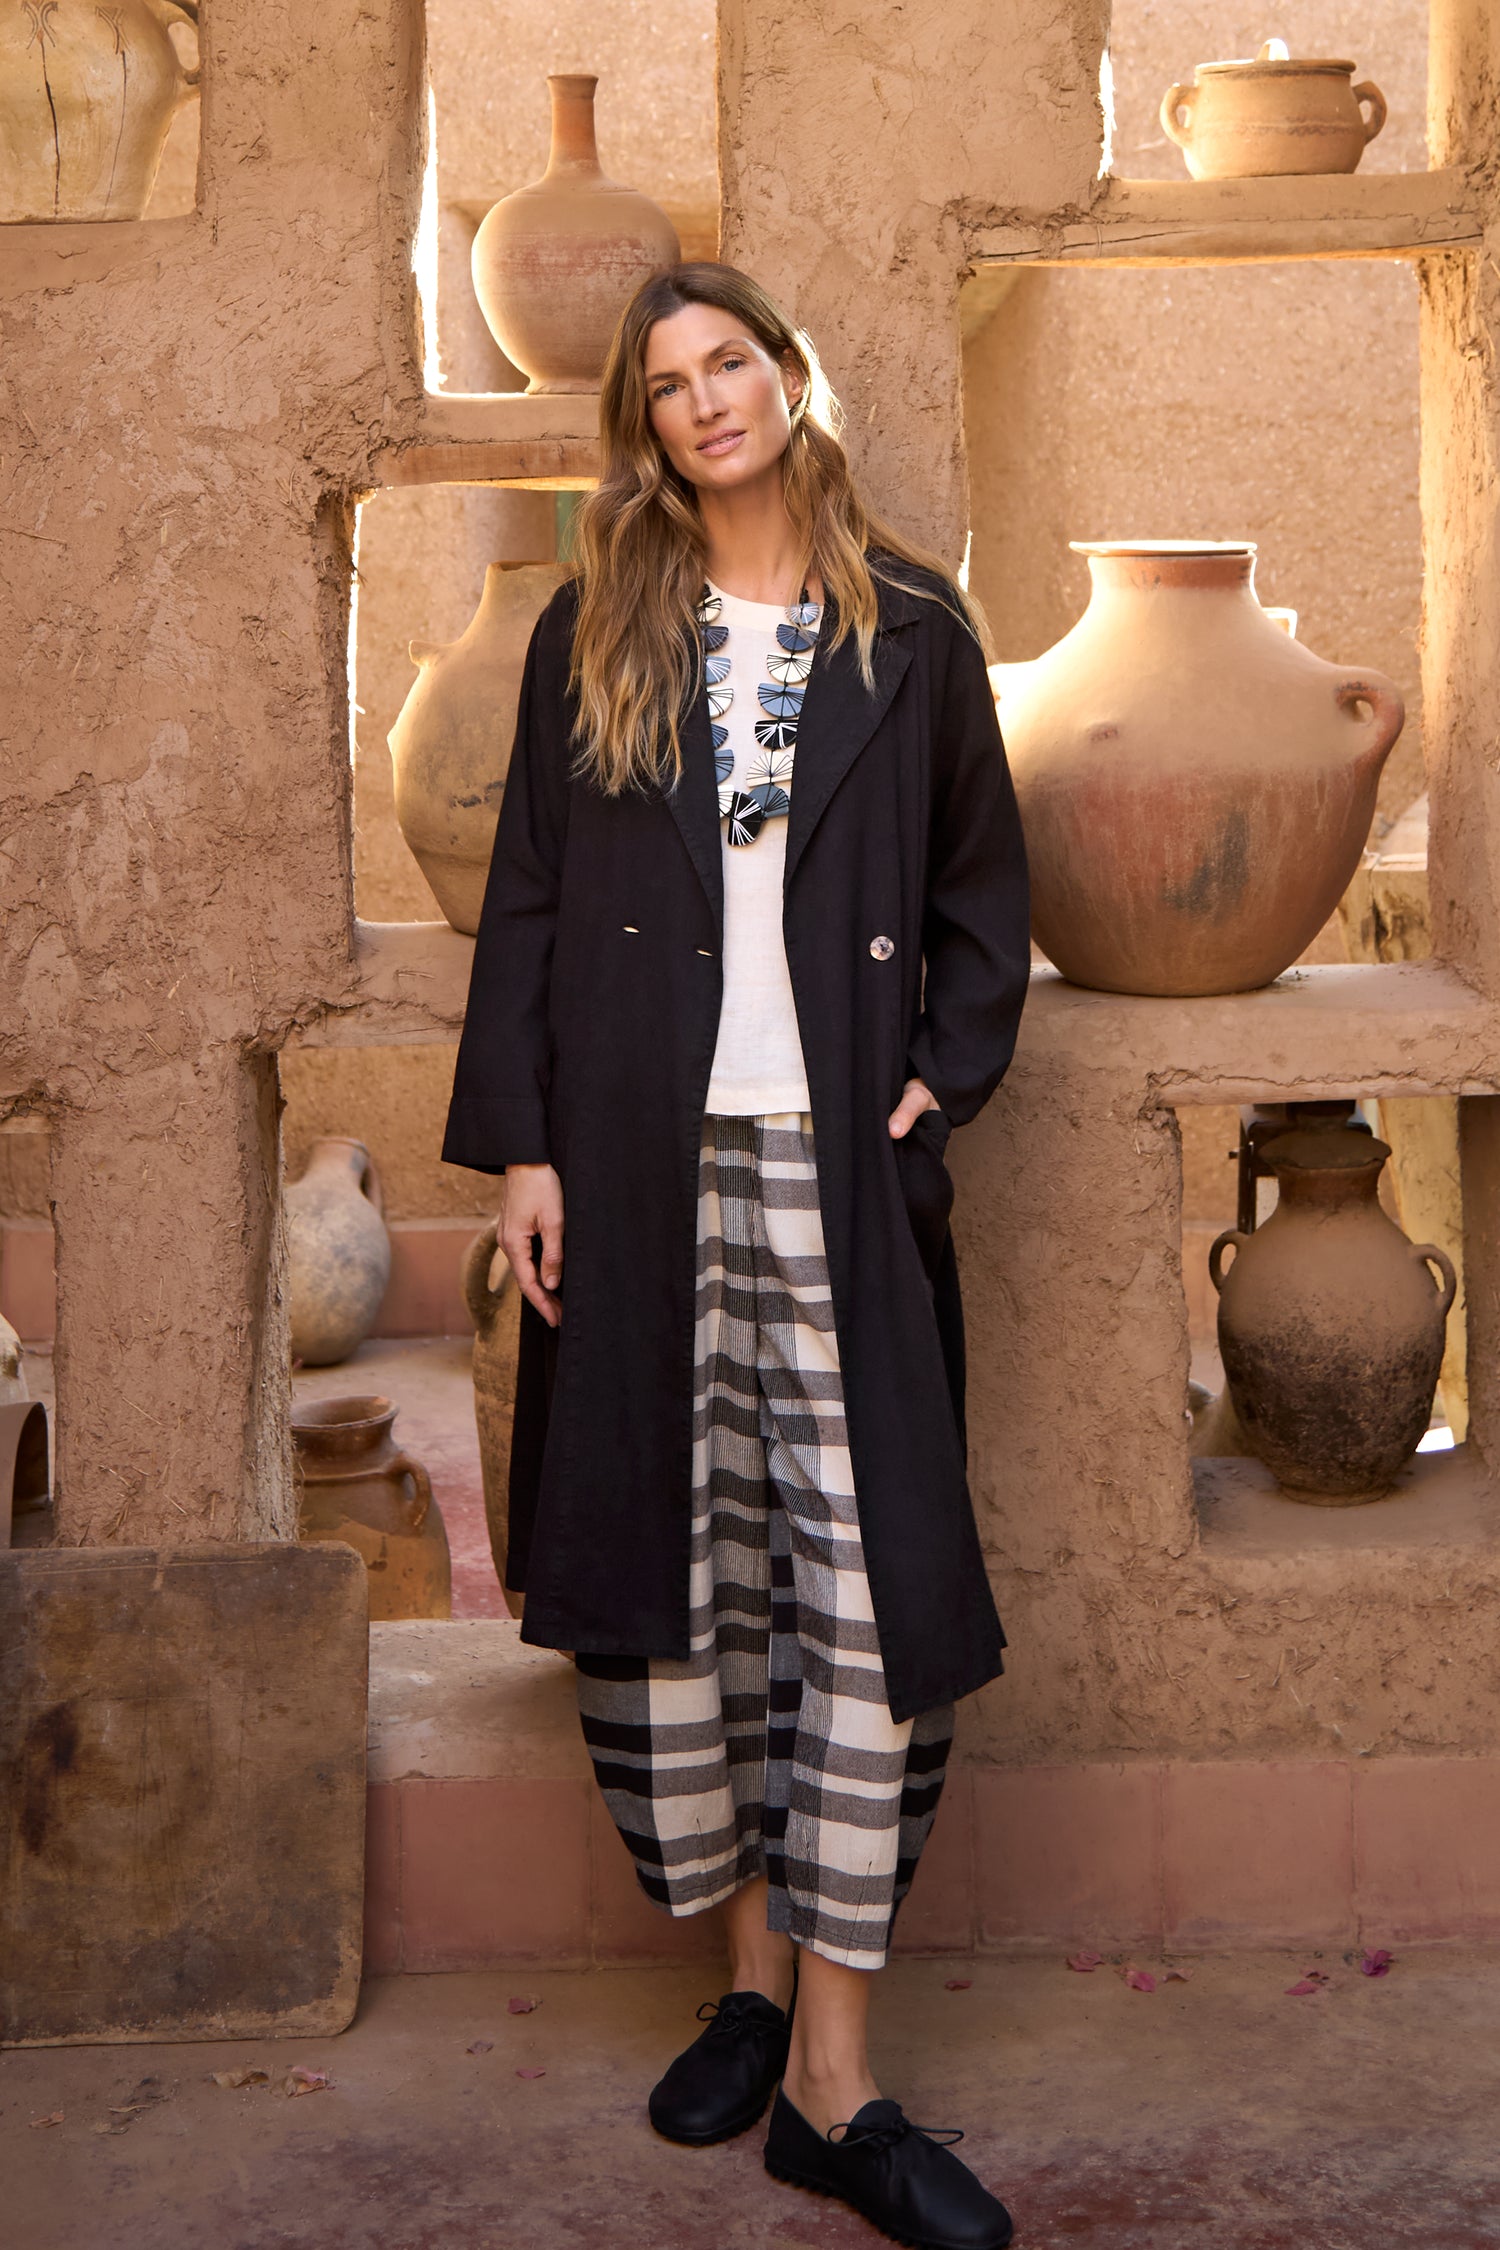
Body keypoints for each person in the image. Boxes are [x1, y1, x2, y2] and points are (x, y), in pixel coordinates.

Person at [443, 261, 1030, 2250]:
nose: (708, 401)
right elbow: (526, 898)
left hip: (835, 1176)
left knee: (861, 1600)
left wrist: (941, 1078)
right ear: (643, 421)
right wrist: (523, 1148)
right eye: (670, 381)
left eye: (733, 363)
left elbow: (981, 889)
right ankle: (751, 1990)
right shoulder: (594, 627)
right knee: (696, 1581)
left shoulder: (919, 627)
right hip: (632, 1161)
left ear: (789, 376)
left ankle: (834, 2088)